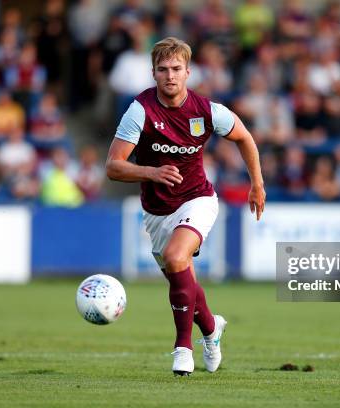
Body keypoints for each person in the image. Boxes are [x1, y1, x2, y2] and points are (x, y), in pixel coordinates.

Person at [106, 37, 265, 376]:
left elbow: (244, 137)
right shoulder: (141, 110)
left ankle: (182, 348)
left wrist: (257, 183)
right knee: (183, 281)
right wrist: (151, 171)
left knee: (178, 257)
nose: (170, 76)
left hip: (198, 199)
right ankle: (212, 330)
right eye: (162, 70)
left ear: (188, 72)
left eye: (176, 69)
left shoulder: (207, 111)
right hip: (156, 211)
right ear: (153, 73)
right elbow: (113, 166)